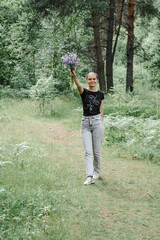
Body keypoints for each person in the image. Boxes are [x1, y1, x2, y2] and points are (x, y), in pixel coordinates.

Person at [70, 70, 105, 185]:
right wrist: (75, 77)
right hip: (85, 124)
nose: (92, 81)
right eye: (89, 79)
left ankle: (97, 172)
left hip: (97, 123)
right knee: (88, 151)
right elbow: (79, 85)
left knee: (97, 151)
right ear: (87, 81)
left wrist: (102, 125)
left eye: (94, 79)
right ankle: (89, 176)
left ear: (97, 80)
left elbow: (101, 111)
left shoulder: (100, 94)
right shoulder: (84, 92)